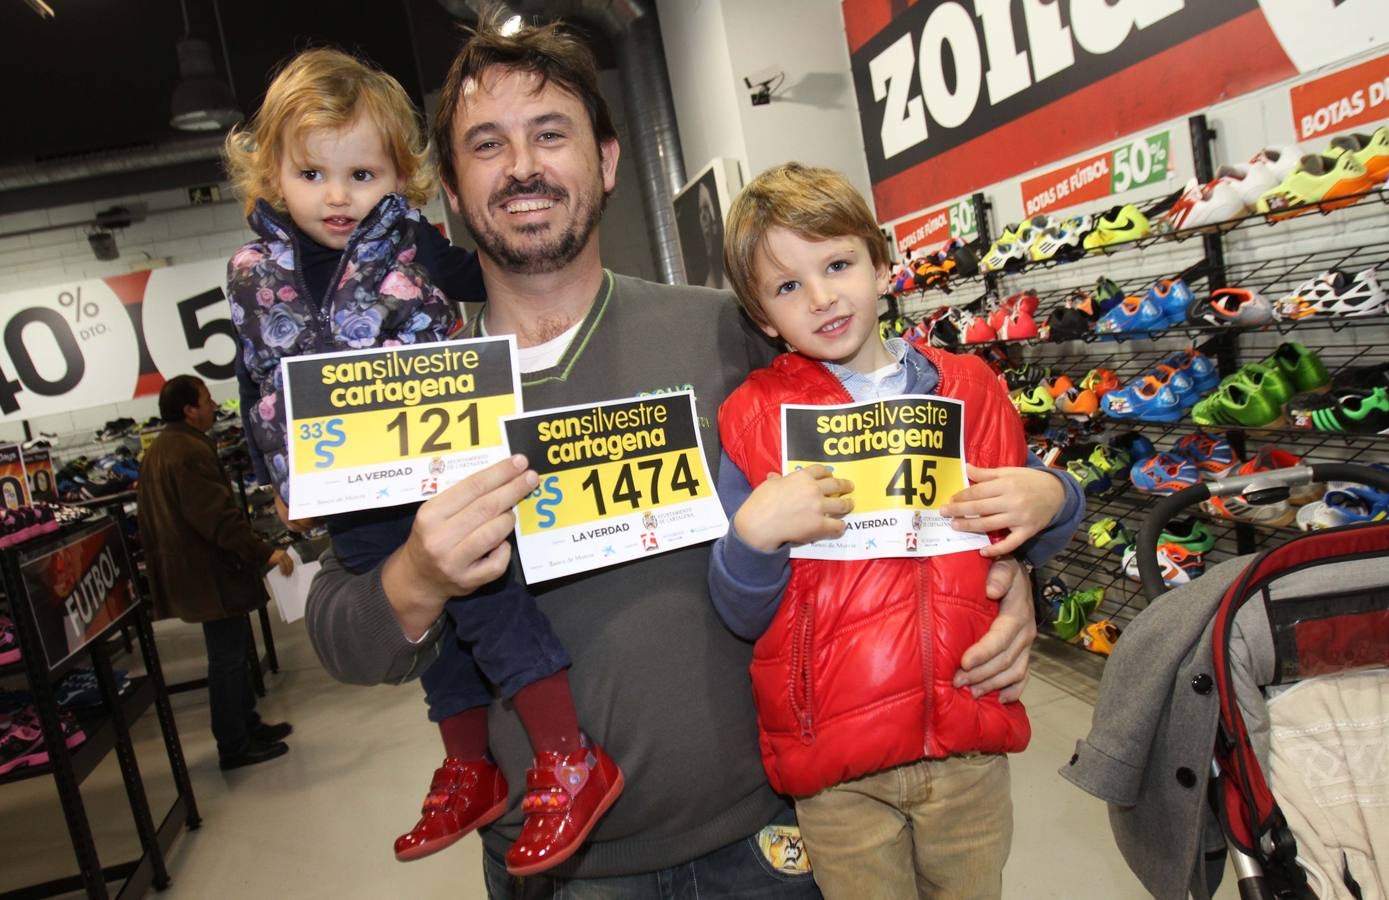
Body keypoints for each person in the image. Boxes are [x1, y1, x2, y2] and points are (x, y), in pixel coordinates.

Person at [304, 20, 1077, 895]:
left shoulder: (727, 331)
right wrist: (418, 575)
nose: (522, 165)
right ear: (450, 187)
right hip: (564, 870)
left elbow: (907, 468)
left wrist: (1013, 586)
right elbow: (342, 634)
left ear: (606, 160)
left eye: (550, 133)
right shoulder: (405, 389)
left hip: (775, 841)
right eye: (488, 144)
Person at [222, 47, 619, 871]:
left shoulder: (409, 243)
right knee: (435, 637)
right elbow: (254, 384)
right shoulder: (252, 275)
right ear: (271, 175)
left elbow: (493, 270)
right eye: (312, 175)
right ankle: (470, 767)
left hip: (445, 468)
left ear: (400, 178)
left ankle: (567, 752)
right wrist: (282, 482)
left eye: (363, 174)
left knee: (493, 607)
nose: (339, 197)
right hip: (348, 490)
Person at [710, 162, 1072, 899]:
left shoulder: (972, 388)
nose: (820, 297)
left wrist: (1056, 498)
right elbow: (739, 611)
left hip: (970, 739)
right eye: (786, 286)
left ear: (882, 266)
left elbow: (1026, 520)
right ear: (761, 317)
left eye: (837, 264)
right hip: (835, 765)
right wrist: (751, 539)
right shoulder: (753, 419)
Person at [136, 375, 294, 771]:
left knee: (235, 650)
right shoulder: (187, 451)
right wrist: (264, 552)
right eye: (206, 400)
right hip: (210, 572)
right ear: (189, 410)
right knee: (226, 658)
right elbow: (217, 519)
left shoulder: (163, 449)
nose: (212, 406)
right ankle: (234, 744)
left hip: (198, 571)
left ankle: (247, 725)